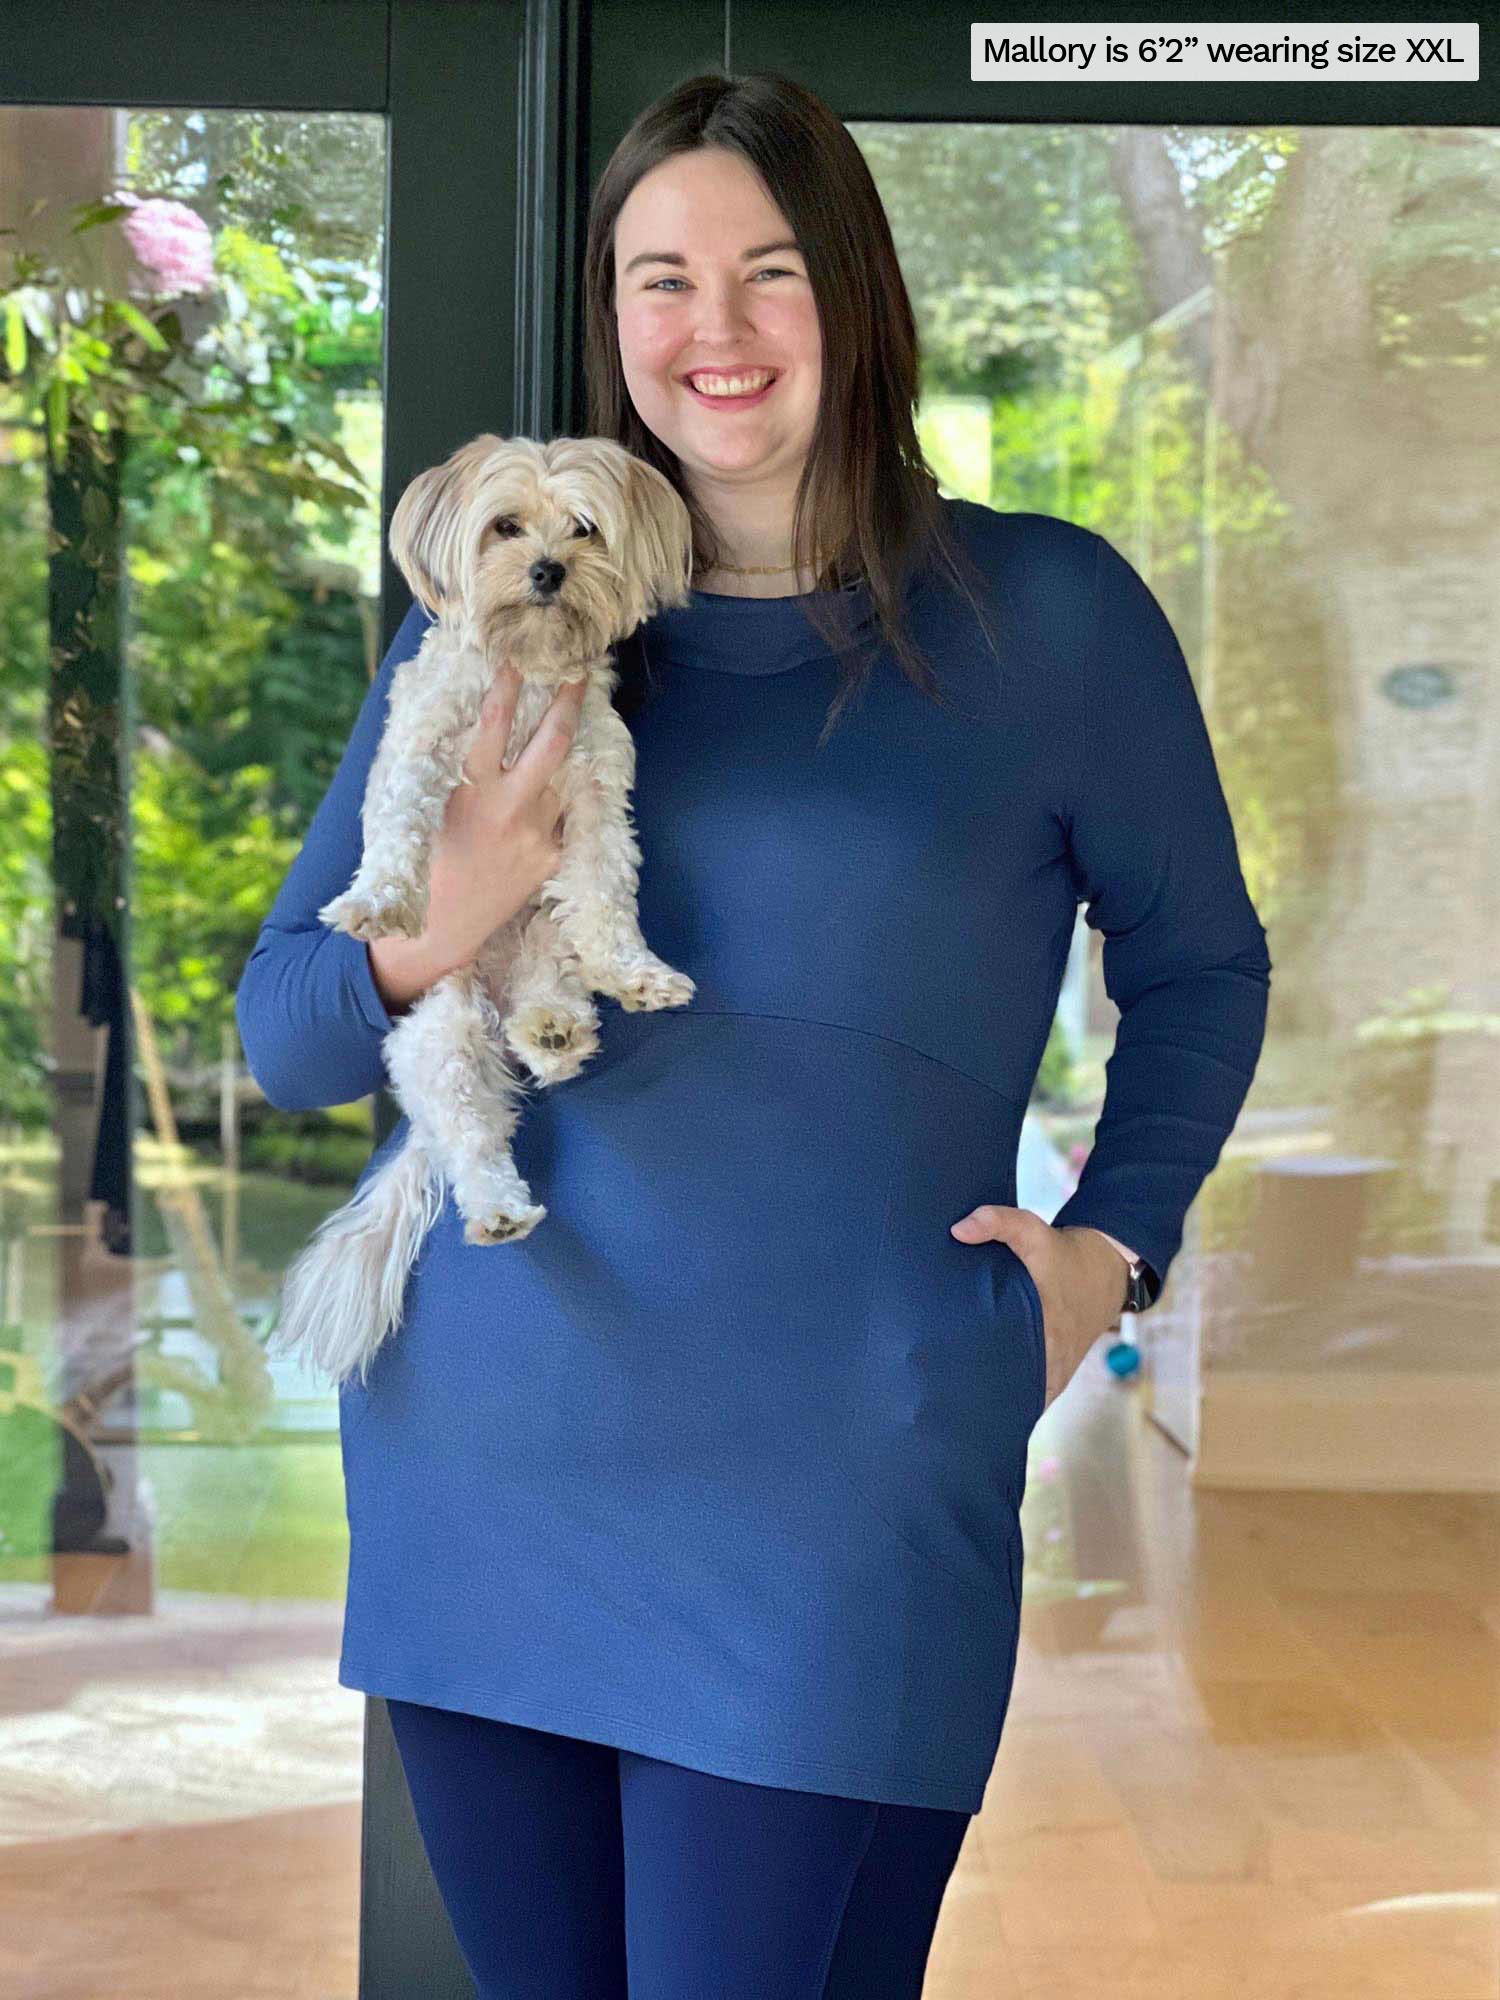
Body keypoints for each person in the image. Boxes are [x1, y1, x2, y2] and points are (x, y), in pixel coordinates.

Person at [235, 70, 1272, 2000]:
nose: (712, 332)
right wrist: (442, 917)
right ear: (613, 317)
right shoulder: (498, 629)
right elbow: (291, 1034)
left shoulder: (1047, 615)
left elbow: (1202, 968)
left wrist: (1110, 1253)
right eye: (659, 280)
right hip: (494, 1457)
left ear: (855, 296)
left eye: (768, 272)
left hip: (842, 1483)